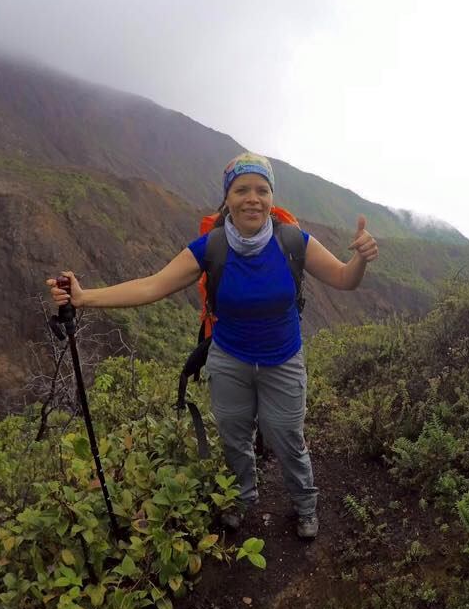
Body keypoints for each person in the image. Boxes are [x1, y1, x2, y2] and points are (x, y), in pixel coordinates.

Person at [47, 152, 378, 539]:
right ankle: (242, 498)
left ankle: (305, 504)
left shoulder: (293, 241)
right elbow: (153, 285)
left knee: (286, 436)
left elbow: (343, 278)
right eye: (242, 190)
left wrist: (361, 260)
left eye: (261, 189)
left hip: (283, 360)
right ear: (227, 198)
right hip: (229, 360)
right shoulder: (212, 247)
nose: (252, 198)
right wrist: (85, 298)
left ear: (272, 198)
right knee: (234, 436)